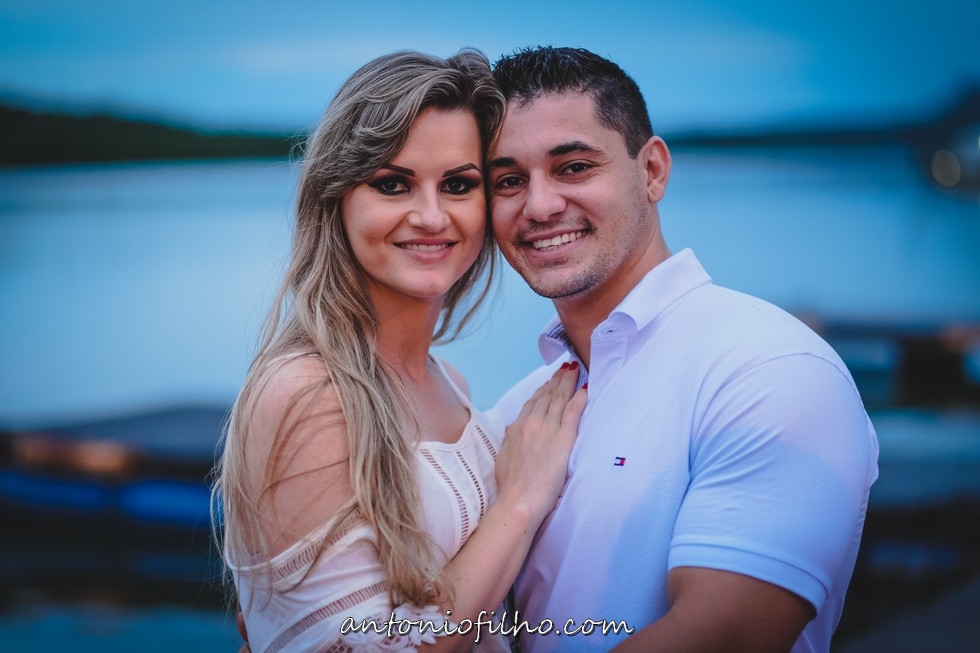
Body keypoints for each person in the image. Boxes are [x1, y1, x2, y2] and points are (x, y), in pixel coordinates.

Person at [486, 46, 879, 652]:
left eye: (574, 167)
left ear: (652, 171)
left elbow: (726, 637)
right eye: (509, 181)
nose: (539, 206)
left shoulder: (768, 367)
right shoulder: (518, 412)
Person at [212, 49, 587, 653]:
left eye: (459, 185)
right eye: (393, 184)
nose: (431, 217)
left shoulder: (451, 383)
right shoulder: (310, 394)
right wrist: (519, 501)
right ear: (336, 199)